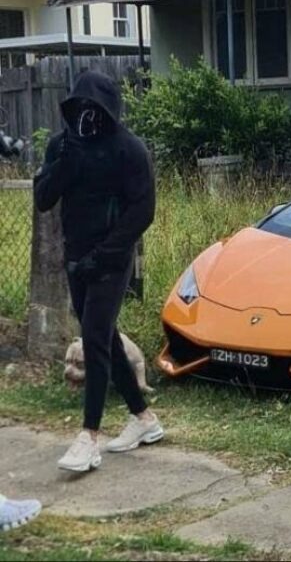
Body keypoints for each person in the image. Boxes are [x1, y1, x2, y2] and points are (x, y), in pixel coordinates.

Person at [34, 71, 162, 473]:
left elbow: (143, 209)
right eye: (80, 109)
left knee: (93, 336)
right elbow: (43, 199)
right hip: (76, 256)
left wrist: (107, 253)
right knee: (103, 335)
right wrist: (63, 163)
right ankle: (144, 419)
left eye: (96, 109)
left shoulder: (129, 149)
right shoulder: (62, 145)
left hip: (112, 259)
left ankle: (88, 437)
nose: (88, 116)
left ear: (109, 111)